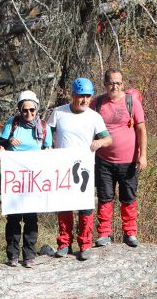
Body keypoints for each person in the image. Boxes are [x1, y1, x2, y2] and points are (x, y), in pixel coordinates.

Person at [48, 77, 112, 260]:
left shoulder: (94, 117)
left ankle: (85, 244)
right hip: (62, 167)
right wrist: (47, 146)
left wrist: (100, 142)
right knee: (64, 205)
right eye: (81, 96)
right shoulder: (59, 112)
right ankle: (64, 243)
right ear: (73, 95)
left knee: (85, 206)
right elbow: (47, 132)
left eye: (88, 96)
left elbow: (108, 139)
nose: (84, 100)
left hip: (85, 168)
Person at [93, 68, 147, 248]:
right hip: (103, 160)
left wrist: (143, 156)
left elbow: (141, 130)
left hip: (129, 161)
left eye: (118, 83)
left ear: (122, 84)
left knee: (128, 197)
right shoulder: (97, 103)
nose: (114, 86)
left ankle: (130, 232)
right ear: (105, 84)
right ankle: (104, 233)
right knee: (104, 197)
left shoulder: (132, 102)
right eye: (111, 83)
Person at [0, 90, 52, 267]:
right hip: (15, 180)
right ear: (20, 110)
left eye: (32, 110)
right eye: (24, 110)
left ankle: (29, 255)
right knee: (13, 218)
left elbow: (48, 148)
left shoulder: (43, 127)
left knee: (31, 218)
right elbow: (0, 144)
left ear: (37, 109)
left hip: (34, 180)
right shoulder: (12, 124)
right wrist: (7, 142)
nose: (28, 113)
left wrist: (48, 151)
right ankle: (12, 255)